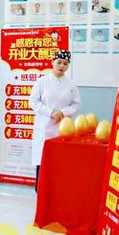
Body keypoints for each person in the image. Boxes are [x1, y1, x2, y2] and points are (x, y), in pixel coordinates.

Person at [29, 50, 80, 192]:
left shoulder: (71, 85)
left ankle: (57, 193)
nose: (62, 66)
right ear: (52, 62)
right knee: (43, 161)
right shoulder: (42, 82)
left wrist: (62, 112)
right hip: (44, 128)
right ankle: (40, 192)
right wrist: (51, 112)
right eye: (59, 62)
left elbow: (76, 104)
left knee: (59, 162)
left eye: (65, 63)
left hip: (62, 129)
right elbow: (33, 102)